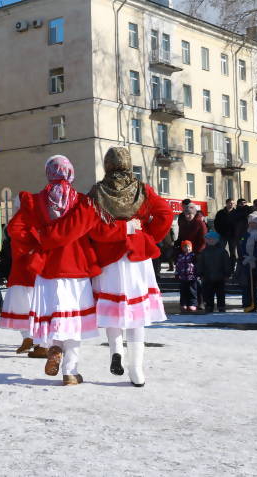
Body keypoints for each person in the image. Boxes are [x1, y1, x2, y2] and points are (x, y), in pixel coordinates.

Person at [13, 155, 127, 386]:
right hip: (76, 270)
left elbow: (15, 230)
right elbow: (101, 234)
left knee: (55, 316)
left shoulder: (34, 202)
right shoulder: (84, 203)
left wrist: (37, 241)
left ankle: (55, 347)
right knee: (74, 322)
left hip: (46, 271)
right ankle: (70, 372)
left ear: (48, 173)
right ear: (70, 173)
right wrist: (129, 230)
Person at [87, 147, 171, 387]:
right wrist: (148, 237)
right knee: (137, 314)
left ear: (107, 164)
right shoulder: (142, 189)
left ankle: (116, 351)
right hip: (136, 256)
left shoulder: (96, 192)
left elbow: (91, 227)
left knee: (113, 310)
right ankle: (136, 369)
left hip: (108, 258)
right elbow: (165, 213)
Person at [0, 195, 47, 359]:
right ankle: (30, 338)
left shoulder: (23, 220)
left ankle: (40, 343)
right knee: (27, 307)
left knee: (29, 307)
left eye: (15, 205)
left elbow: (14, 230)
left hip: (30, 269)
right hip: (28, 268)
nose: (13, 207)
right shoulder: (36, 219)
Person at [196, 231, 231, 313]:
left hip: (220, 277)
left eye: (211, 239)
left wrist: (227, 273)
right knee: (208, 293)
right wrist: (200, 273)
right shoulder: (204, 252)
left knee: (220, 294)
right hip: (207, 277)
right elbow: (200, 263)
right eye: (208, 239)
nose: (209, 241)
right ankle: (209, 306)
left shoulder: (222, 251)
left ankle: (221, 306)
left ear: (217, 240)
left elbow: (226, 263)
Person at [176, 241, 198, 313]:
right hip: (182, 277)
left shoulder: (193, 255)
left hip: (192, 277)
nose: (187, 248)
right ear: (182, 248)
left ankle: (192, 304)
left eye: (189, 247)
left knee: (192, 291)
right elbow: (178, 266)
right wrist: (177, 273)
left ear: (191, 248)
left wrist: (197, 273)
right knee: (183, 292)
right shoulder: (180, 256)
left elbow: (196, 265)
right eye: (185, 247)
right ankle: (183, 304)